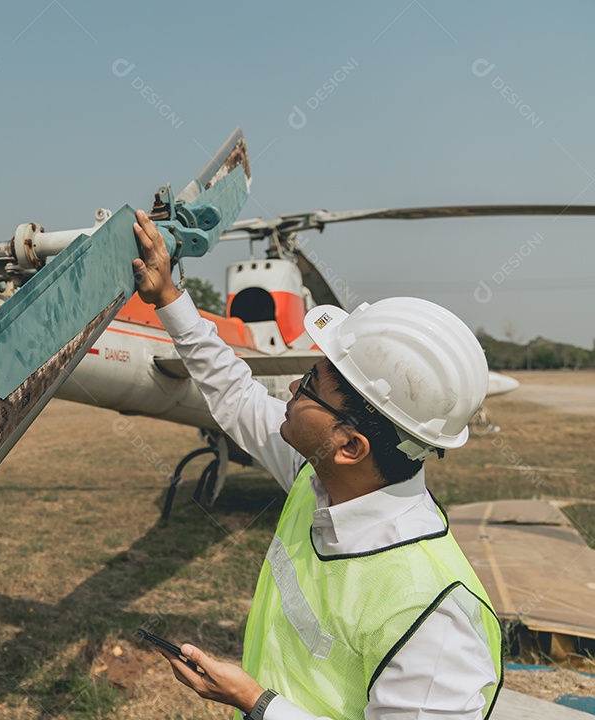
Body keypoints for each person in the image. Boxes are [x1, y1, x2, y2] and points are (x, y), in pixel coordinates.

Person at [131, 210, 502, 720]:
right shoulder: (322, 479)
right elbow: (236, 394)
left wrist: (253, 701)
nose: (290, 388)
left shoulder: (432, 617)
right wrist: (170, 299)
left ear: (350, 445)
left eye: (310, 385)